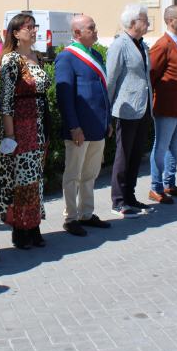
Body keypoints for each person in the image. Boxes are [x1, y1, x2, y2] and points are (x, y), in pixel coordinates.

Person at [0, 13, 49, 249]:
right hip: (21, 127)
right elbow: (5, 101)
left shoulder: (37, 57)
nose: (34, 30)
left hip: (39, 125)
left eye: (34, 26)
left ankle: (34, 225)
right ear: (16, 33)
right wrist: (9, 136)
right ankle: (21, 230)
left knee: (35, 179)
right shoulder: (11, 60)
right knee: (21, 180)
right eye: (28, 27)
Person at [54, 14, 111, 236]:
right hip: (79, 129)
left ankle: (86, 213)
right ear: (77, 33)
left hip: (97, 126)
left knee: (90, 173)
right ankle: (71, 217)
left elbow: (102, 94)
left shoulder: (96, 54)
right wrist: (73, 126)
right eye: (91, 28)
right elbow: (64, 96)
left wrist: (107, 122)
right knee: (73, 175)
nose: (95, 30)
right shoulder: (66, 58)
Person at [106, 4, 153, 218]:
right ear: (133, 23)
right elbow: (111, 80)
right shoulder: (120, 44)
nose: (148, 22)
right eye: (144, 19)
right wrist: (107, 112)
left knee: (136, 155)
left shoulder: (142, 45)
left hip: (142, 109)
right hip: (125, 109)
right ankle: (118, 201)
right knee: (123, 155)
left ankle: (130, 196)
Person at [148, 5, 177, 204]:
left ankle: (169, 183)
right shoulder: (162, 45)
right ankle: (155, 187)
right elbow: (152, 75)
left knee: (174, 147)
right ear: (170, 21)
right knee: (161, 147)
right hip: (166, 108)